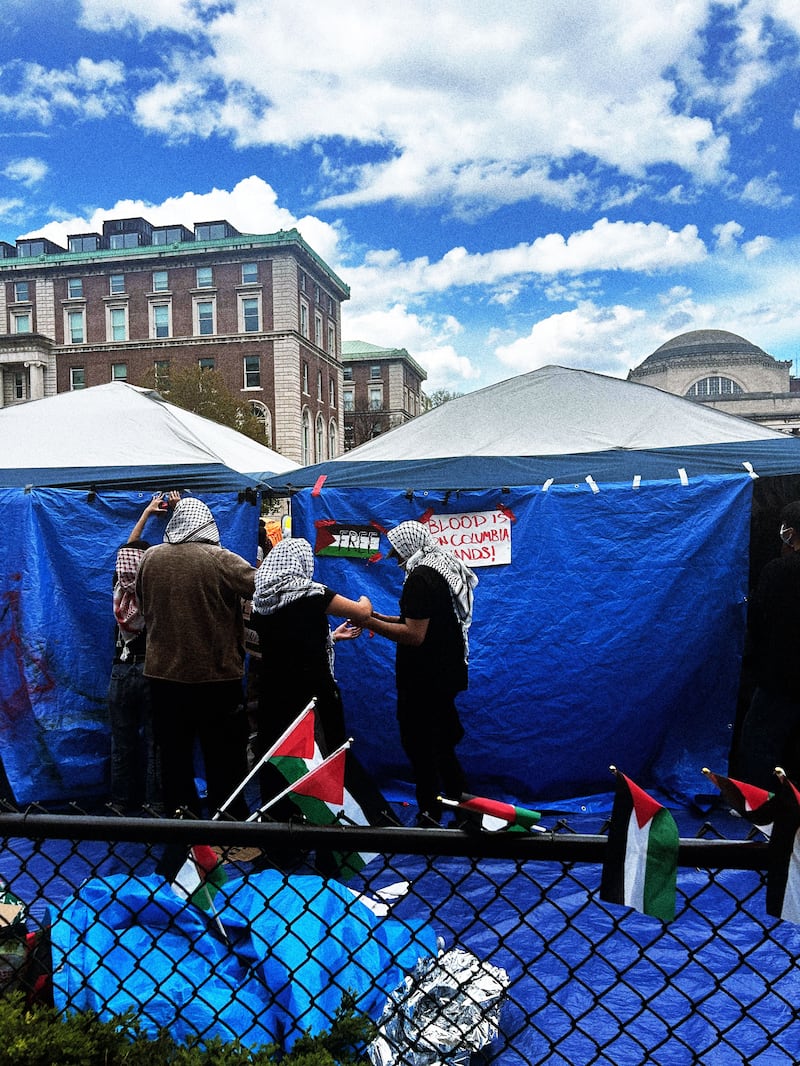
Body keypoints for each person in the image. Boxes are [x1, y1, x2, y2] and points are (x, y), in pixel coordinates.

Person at [136, 497, 256, 819]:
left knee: (173, 760)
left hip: (162, 678)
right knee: (224, 759)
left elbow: (142, 603)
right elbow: (263, 587)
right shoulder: (219, 559)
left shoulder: (150, 558)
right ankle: (227, 827)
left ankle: (183, 831)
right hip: (216, 679)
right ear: (207, 523)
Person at [364, 521, 478, 825]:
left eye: (397, 553)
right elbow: (418, 619)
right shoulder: (439, 568)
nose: (396, 559)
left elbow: (414, 634)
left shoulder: (419, 578)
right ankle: (463, 813)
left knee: (421, 747)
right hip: (443, 676)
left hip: (424, 681)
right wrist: (377, 616)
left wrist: (369, 623)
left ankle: (431, 813)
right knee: (440, 747)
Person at [250, 537, 372, 814]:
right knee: (324, 752)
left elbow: (288, 643)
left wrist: (330, 638)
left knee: (279, 755)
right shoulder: (311, 592)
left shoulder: (261, 600)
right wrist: (364, 595)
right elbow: (362, 612)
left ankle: (279, 820)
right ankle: (330, 815)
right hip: (313, 692)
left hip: (274, 690)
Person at [108, 492, 179, 813]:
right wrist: (177, 513)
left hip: (120, 673)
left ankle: (122, 803)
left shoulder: (119, 587)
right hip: (153, 671)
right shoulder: (156, 589)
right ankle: (154, 806)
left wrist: (145, 515)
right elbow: (178, 556)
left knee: (122, 742)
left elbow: (128, 551)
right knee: (156, 744)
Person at [737, 500, 800, 789]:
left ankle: (758, 800)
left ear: (790, 532)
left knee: (759, 738)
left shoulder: (778, 571)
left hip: (781, 673)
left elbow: (759, 617)